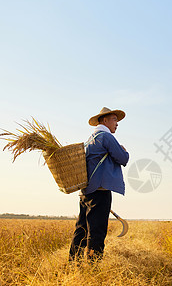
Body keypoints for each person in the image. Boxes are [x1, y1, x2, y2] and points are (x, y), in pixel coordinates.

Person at [69, 107, 129, 262]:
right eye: (114, 119)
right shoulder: (107, 137)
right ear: (104, 120)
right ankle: (93, 267)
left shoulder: (90, 139)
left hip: (86, 190)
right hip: (101, 190)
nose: (117, 123)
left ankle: (73, 263)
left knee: (81, 228)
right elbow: (123, 159)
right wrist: (124, 150)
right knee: (97, 231)